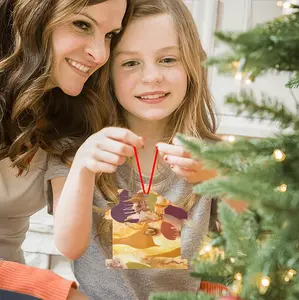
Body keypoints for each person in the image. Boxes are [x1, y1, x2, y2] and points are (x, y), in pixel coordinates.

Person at [45, 0, 223, 299]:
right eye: (130, 63)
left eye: (168, 59)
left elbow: (252, 237)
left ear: (191, 64)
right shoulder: (76, 151)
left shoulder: (210, 155)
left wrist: (219, 178)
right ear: (108, 75)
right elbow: (69, 246)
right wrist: (83, 169)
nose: (152, 76)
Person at [0, 0, 132, 298]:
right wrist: (58, 292)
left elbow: (81, 242)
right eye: (82, 25)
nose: (100, 54)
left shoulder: (72, 116)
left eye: (110, 35)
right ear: (32, 14)